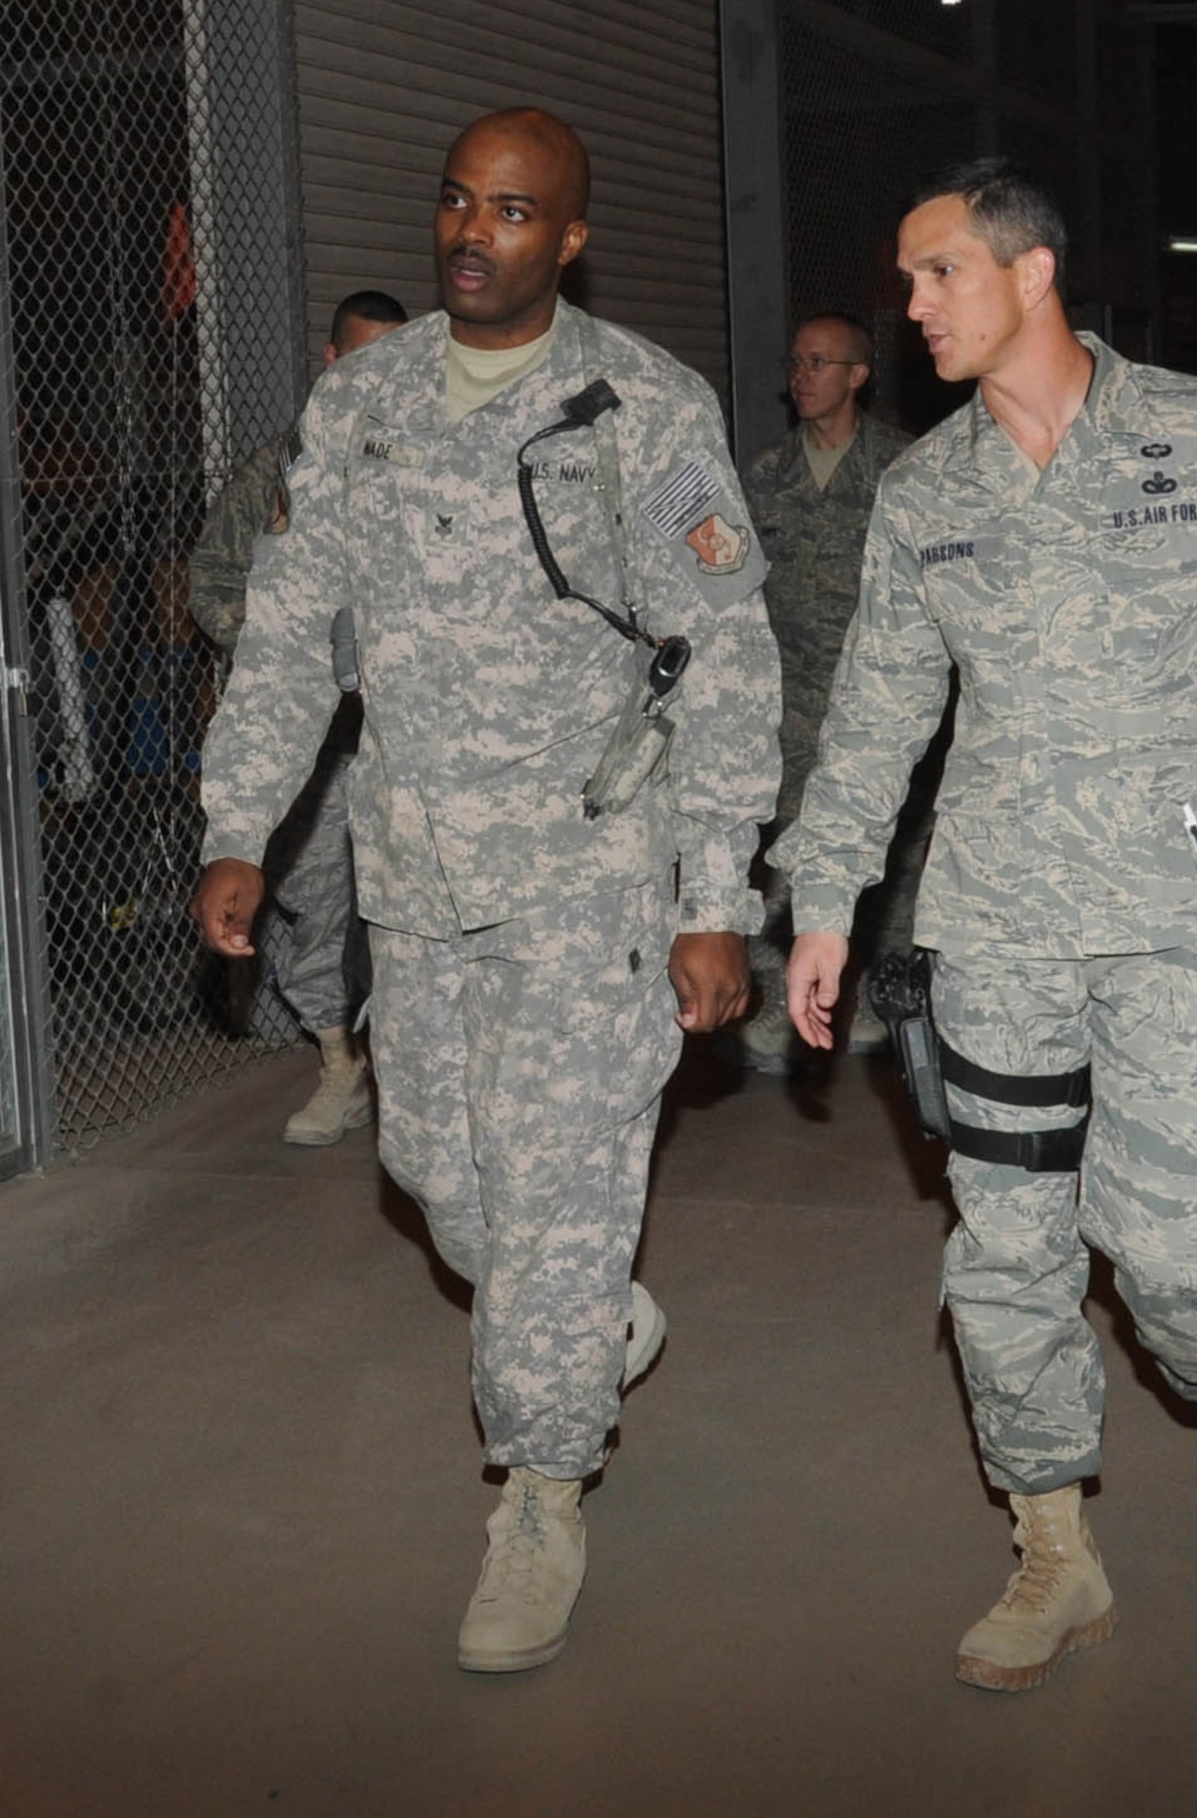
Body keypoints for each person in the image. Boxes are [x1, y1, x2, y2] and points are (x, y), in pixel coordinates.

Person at [775, 157, 1197, 1693]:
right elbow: (875, 716)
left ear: (1032, 271)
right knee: (1005, 1260)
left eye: (937, 275)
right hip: (996, 931)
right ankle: (1055, 1548)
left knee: (1180, 1248)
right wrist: (822, 901)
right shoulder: (925, 495)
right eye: (906, 282)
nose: (910, 305)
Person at [192, 108, 781, 1673]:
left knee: (558, 1186)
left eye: (515, 212)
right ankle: (582, 1322)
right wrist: (240, 820)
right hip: (413, 868)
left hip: (589, 872)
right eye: (458, 201)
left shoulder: (641, 406)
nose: (475, 231)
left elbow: (721, 656)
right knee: (441, 1181)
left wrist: (714, 891)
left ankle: (540, 1491)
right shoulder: (363, 401)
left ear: (569, 238)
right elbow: (289, 617)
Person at [188, 291, 408, 1139]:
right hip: (309, 751)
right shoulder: (280, 468)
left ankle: (412, 1071)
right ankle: (339, 1067)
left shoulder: (427, 460)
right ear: (328, 359)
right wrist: (295, 646)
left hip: (400, 743)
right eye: (359, 359)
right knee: (315, 904)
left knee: (404, 909)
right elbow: (211, 581)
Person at [733, 314, 912, 1071]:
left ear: (857, 375)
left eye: (817, 362)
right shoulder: (767, 475)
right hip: (794, 700)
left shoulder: (904, 470)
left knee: (896, 856)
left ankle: (876, 992)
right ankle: (777, 999)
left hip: (889, 700)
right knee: (783, 852)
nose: (799, 375)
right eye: (794, 361)